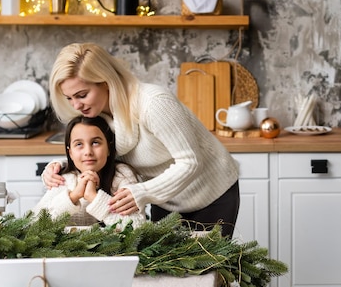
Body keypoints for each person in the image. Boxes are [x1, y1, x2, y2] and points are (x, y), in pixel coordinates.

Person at [43, 42, 240, 237]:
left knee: (209, 266)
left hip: (211, 193)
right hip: (164, 198)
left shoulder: (154, 103)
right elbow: (100, 153)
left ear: (106, 82)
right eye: (69, 98)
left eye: (82, 95)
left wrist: (143, 192)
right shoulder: (97, 114)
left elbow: (190, 161)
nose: (76, 105)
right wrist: (60, 167)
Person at [32, 115, 146, 229]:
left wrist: (94, 197)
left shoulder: (123, 176)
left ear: (108, 148)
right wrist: (73, 196)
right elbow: (32, 225)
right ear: (70, 153)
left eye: (95, 142)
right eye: (79, 144)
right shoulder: (64, 178)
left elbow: (137, 227)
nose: (88, 152)